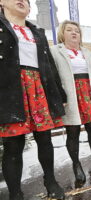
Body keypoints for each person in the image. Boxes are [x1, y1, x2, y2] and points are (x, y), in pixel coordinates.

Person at [0, 0, 65, 199]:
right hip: (10, 89)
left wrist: (60, 94)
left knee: (45, 139)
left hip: (38, 87)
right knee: (13, 145)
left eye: (27, 1)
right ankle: (15, 193)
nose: (22, 1)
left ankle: (50, 180)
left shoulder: (38, 33)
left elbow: (49, 64)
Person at [50, 20, 91, 184]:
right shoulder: (55, 51)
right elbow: (53, 76)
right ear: (62, 33)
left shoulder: (87, 52)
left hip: (88, 94)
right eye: (69, 30)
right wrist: (59, 97)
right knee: (73, 131)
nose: (74, 33)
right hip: (70, 95)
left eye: (77, 31)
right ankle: (76, 164)